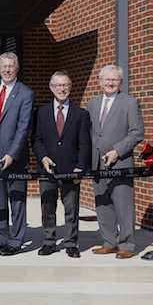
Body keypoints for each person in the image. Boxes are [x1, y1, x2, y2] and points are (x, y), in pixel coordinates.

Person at [87, 65, 144, 259]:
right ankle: (109, 241)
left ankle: (127, 244)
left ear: (120, 82)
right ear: (100, 81)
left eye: (115, 80)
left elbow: (137, 133)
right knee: (103, 205)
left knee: (123, 204)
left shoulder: (129, 103)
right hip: (97, 163)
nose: (110, 83)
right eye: (107, 80)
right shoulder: (92, 104)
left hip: (120, 162)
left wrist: (118, 151)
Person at [32, 71, 91, 258]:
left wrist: (80, 167)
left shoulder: (81, 114)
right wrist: (43, 158)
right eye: (58, 85)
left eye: (65, 85)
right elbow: (36, 139)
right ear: (51, 88)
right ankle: (49, 242)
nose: (61, 89)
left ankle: (71, 243)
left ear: (70, 87)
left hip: (71, 169)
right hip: (47, 168)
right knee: (47, 207)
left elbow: (84, 143)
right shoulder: (40, 113)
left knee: (71, 209)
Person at [0, 52, 34, 256]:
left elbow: (24, 128)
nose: (7, 70)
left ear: (17, 68)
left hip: (15, 153)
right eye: (4, 66)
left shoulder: (25, 93)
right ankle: (1, 237)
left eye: (11, 66)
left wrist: (12, 154)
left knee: (17, 199)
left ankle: (15, 240)